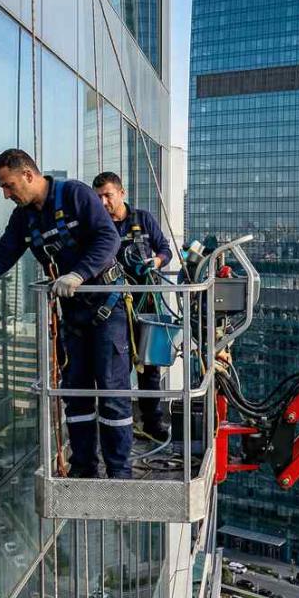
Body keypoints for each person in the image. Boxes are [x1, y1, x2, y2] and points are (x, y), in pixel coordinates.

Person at [0, 149, 133, 479]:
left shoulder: (76, 195)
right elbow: (4, 252)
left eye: (8, 185)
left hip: (107, 307)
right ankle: (83, 471)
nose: (6, 194)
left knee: (111, 393)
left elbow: (108, 238)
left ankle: (119, 474)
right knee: (75, 394)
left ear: (29, 176)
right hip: (74, 316)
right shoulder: (25, 218)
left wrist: (78, 273)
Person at [91, 171, 173, 441]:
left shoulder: (143, 220)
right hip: (113, 307)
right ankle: (118, 425)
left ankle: (152, 422)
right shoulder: (97, 225)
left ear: (122, 193)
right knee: (117, 368)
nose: (103, 202)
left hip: (145, 302)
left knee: (150, 365)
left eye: (108, 195)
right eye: (98, 196)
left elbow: (164, 249)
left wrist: (157, 262)